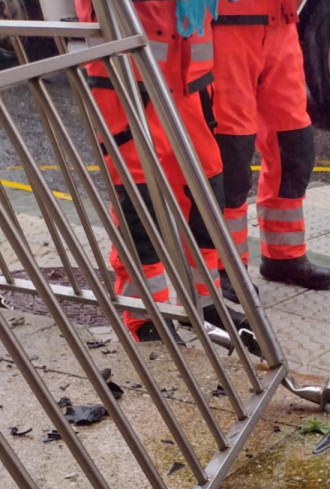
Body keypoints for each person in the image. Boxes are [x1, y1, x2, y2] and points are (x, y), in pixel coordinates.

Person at [76, 0, 249, 341]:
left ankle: (206, 299)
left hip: (191, 86)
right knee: (139, 203)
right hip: (128, 84)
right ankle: (144, 314)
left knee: (204, 195)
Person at [211, 0, 330, 302]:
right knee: (231, 155)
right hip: (225, 26)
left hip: (280, 23)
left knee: (294, 146)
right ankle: (223, 267)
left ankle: (283, 258)